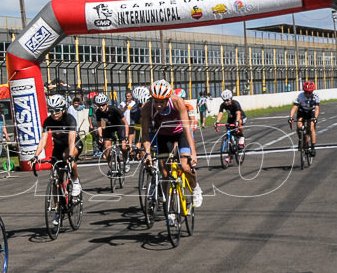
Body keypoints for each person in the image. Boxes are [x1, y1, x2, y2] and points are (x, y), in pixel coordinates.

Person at [141, 79, 202, 208]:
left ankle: (195, 187)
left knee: (185, 167)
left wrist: (194, 152)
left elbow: (187, 128)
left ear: (167, 99)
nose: (158, 105)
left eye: (161, 102)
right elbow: (145, 134)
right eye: (155, 101)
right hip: (163, 136)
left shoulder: (177, 102)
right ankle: (169, 206)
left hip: (180, 133)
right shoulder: (147, 107)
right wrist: (147, 154)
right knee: (164, 174)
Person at [30, 94, 82, 226]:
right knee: (55, 179)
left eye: (57, 110)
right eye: (51, 110)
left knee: (67, 157)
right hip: (58, 148)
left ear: (63, 109)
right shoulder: (48, 121)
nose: (54, 113)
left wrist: (70, 156)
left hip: (73, 145)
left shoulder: (69, 119)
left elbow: (71, 140)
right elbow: (43, 140)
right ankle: (58, 208)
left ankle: (75, 182)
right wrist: (35, 156)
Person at [93, 92, 129, 174]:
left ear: (107, 103)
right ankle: (110, 167)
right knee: (107, 147)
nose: (101, 107)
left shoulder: (115, 109)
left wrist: (126, 136)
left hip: (119, 125)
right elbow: (100, 125)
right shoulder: (98, 112)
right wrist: (100, 136)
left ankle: (126, 160)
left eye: (103, 105)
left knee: (123, 147)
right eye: (99, 105)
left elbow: (125, 123)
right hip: (108, 127)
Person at [289, 80, 321, 156]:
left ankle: (313, 147)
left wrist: (315, 118)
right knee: (299, 126)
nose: (307, 94)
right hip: (302, 111)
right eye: (306, 92)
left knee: (311, 128)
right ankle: (301, 140)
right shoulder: (300, 96)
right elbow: (294, 108)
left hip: (311, 112)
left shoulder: (316, 96)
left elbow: (317, 109)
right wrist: (291, 117)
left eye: (309, 93)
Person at [214, 89, 246, 158]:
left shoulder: (235, 103)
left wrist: (237, 121)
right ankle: (231, 151)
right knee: (228, 130)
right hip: (231, 118)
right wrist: (217, 122)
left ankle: (241, 136)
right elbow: (220, 113)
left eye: (227, 100)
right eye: (224, 100)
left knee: (239, 122)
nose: (226, 102)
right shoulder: (223, 105)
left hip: (240, 117)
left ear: (231, 98)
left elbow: (238, 113)